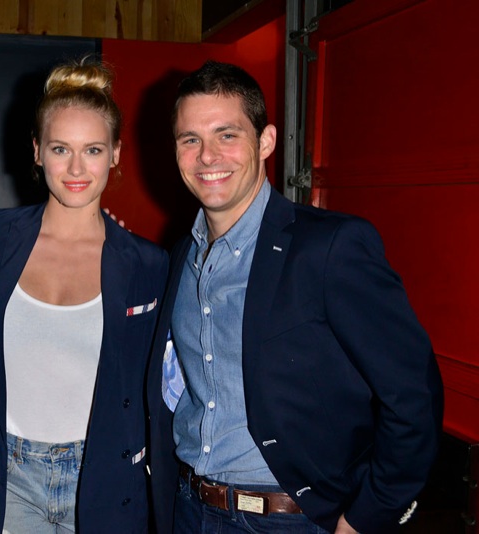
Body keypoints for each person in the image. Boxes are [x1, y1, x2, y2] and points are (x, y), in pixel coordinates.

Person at [146, 60, 443, 534]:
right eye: (190, 140)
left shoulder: (329, 247)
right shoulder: (181, 254)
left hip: (291, 521)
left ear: (265, 141)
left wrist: (367, 516)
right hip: (189, 510)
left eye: (227, 135)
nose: (207, 156)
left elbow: (414, 396)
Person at [0, 58, 168, 533]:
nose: (76, 168)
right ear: (36, 151)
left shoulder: (147, 265)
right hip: (6, 476)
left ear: (116, 153)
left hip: (103, 476)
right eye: (60, 148)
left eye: (93, 149)